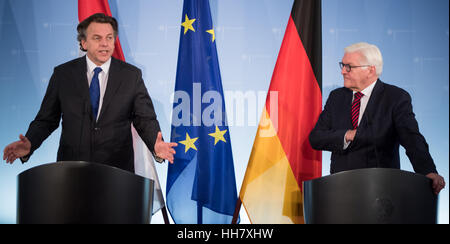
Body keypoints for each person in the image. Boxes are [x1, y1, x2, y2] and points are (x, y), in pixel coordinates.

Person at [3, 13, 177, 172]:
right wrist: (30, 144)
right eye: (97, 38)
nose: (105, 43)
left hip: (117, 175)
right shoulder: (63, 74)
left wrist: (156, 145)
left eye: (109, 38)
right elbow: (46, 120)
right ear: (84, 43)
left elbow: (144, 118)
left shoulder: (131, 76)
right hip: (71, 172)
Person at [309, 42, 445, 195]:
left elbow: (412, 138)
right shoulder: (336, 97)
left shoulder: (395, 97)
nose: (342, 72)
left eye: (349, 67)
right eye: (342, 65)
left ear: (370, 70)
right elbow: (316, 138)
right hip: (341, 190)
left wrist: (428, 171)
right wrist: (347, 135)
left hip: (380, 191)